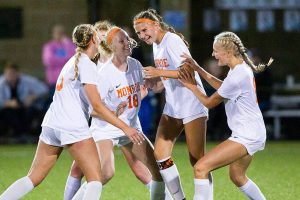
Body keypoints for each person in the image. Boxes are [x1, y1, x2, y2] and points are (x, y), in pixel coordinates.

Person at [0, 24, 143, 200]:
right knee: (95, 180)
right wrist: (126, 128)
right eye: (98, 36)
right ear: (93, 40)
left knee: (33, 178)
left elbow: (88, 105)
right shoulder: (87, 65)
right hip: (72, 127)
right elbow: (96, 106)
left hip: (51, 125)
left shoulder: (73, 62)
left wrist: (112, 112)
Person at [64, 20, 165, 200]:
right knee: (106, 172)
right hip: (106, 129)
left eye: (128, 39)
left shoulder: (135, 65)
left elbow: (151, 87)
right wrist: (112, 113)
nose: (127, 43)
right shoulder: (103, 74)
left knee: (158, 172)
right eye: (121, 41)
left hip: (131, 127)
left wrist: (160, 81)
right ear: (111, 46)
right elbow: (92, 110)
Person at [178, 31, 272, 200]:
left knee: (201, 168)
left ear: (228, 53)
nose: (213, 54)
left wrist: (191, 86)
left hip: (247, 135)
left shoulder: (237, 75)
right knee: (237, 176)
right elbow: (224, 87)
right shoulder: (240, 69)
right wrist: (198, 69)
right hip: (252, 131)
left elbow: (209, 103)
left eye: (216, 51)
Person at [133, 8, 212, 200]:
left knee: (197, 160)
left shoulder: (172, 41)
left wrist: (158, 72)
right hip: (173, 106)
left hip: (192, 104)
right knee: (160, 155)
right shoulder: (156, 44)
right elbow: (169, 76)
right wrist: (156, 84)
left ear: (156, 25)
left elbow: (187, 72)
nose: (143, 36)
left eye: (145, 30)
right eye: (139, 33)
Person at [0, 62, 48, 139]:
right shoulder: (1, 83)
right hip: (7, 110)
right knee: (9, 113)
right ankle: (15, 135)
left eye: (13, 74)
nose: (11, 76)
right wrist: (8, 103)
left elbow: (43, 89)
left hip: (24, 107)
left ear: (18, 73)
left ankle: (28, 134)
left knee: (32, 112)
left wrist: (32, 97)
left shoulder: (26, 80)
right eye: (9, 74)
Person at [42, 24, 76, 107]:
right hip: (55, 82)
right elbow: (49, 61)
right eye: (57, 33)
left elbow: (75, 58)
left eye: (62, 33)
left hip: (69, 81)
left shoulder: (69, 45)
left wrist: (67, 44)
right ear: (53, 34)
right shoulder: (49, 47)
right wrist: (66, 59)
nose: (60, 35)